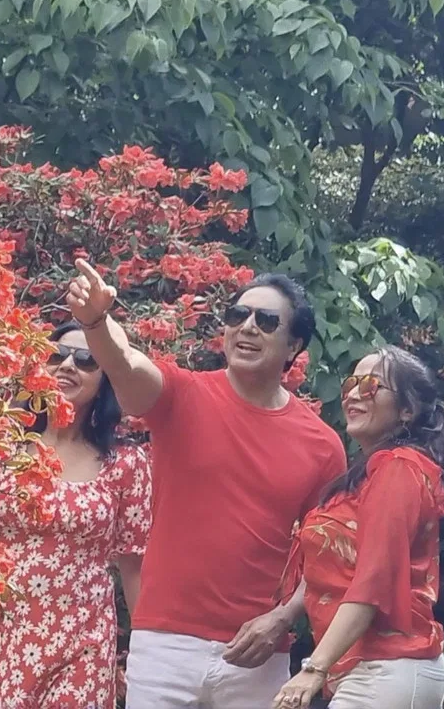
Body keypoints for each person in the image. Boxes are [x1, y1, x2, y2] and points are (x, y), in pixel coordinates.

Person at [65, 259, 347, 707]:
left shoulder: (323, 445)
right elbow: (127, 368)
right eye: (238, 315)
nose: (248, 327)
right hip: (164, 647)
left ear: (293, 345)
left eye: (267, 321)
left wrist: (284, 618)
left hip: (257, 655)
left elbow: (329, 558)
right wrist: (97, 322)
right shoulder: (183, 394)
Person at [0, 321, 152, 708]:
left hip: (83, 643)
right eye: (56, 355)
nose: (67, 366)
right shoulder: (1, 447)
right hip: (1, 636)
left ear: (106, 380)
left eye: (87, 360)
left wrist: (147, 653)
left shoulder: (125, 464)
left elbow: (134, 567)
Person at [272, 346, 444, 709]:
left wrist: (314, 669)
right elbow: (339, 565)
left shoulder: (399, 468)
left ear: (407, 410)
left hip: (387, 667)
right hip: (370, 669)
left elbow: (374, 580)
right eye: (351, 382)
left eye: (371, 385)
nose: (354, 393)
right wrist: (284, 615)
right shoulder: (369, 473)